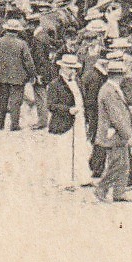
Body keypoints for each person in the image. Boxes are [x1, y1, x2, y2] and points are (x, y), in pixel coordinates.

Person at [95, 57, 132, 202]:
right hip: (113, 133)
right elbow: (116, 117)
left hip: (116, 133)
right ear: (118, 75)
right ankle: (102, 188)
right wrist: (128, 135)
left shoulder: (112, 88)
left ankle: (119, 192)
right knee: (117, 164)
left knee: (124, 163)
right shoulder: (108, 91)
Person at [47, 53, 86, 191]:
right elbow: (51, 105)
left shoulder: (78, 82)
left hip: (79, 120)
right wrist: (68, 110)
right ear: (62, 67)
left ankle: (83, 177)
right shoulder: (55, 84)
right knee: (64, 151)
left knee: (81, 148)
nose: (72, 71)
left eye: (74, 68)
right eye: (70, 68)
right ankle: (65, 181)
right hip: (64, 122)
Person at [0, 19, 34, 131]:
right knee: (16, 101)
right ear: (17, 31)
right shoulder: (22, 44)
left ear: (6, 29)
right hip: (18, 77)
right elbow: (28, 61)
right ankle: (14, 125)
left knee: (2, 100)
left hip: (1, 76)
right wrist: (32, 74)